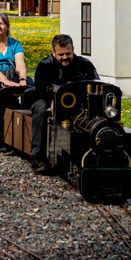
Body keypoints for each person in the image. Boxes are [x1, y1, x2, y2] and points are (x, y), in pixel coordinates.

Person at [30, 34, 99, 173]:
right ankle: (37, 155)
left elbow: (96, 85)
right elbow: (41, 89)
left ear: (73, 50)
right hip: (47, 100)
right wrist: (53, 100)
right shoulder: (44, 66)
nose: (65, 57)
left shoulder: (85, 64)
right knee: (41, 109)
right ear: (53, 52)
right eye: (61, 54)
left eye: (68, 53)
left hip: (78, 102)